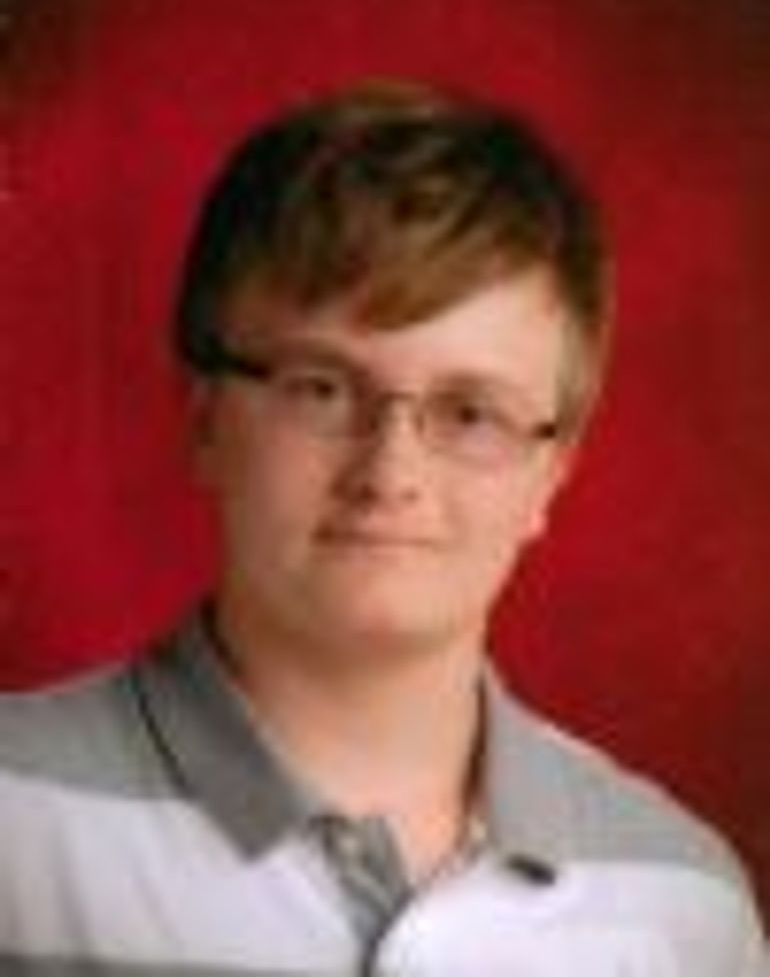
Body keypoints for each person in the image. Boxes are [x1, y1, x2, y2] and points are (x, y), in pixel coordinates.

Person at [0, 79, 766, 976]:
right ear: (205, 420)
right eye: (322, 389)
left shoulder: (683, 907)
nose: (389, 475)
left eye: (471, 412)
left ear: (550, 476)